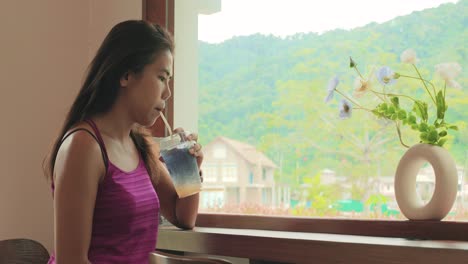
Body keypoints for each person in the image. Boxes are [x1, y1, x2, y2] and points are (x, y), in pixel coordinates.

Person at [43, 20, 203, 264]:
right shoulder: (83, 147)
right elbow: (71, 260)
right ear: (126, 75)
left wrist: (189, 169)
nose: (167, 93)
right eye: (162, 78)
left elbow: (183, 218)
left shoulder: (140, 145)